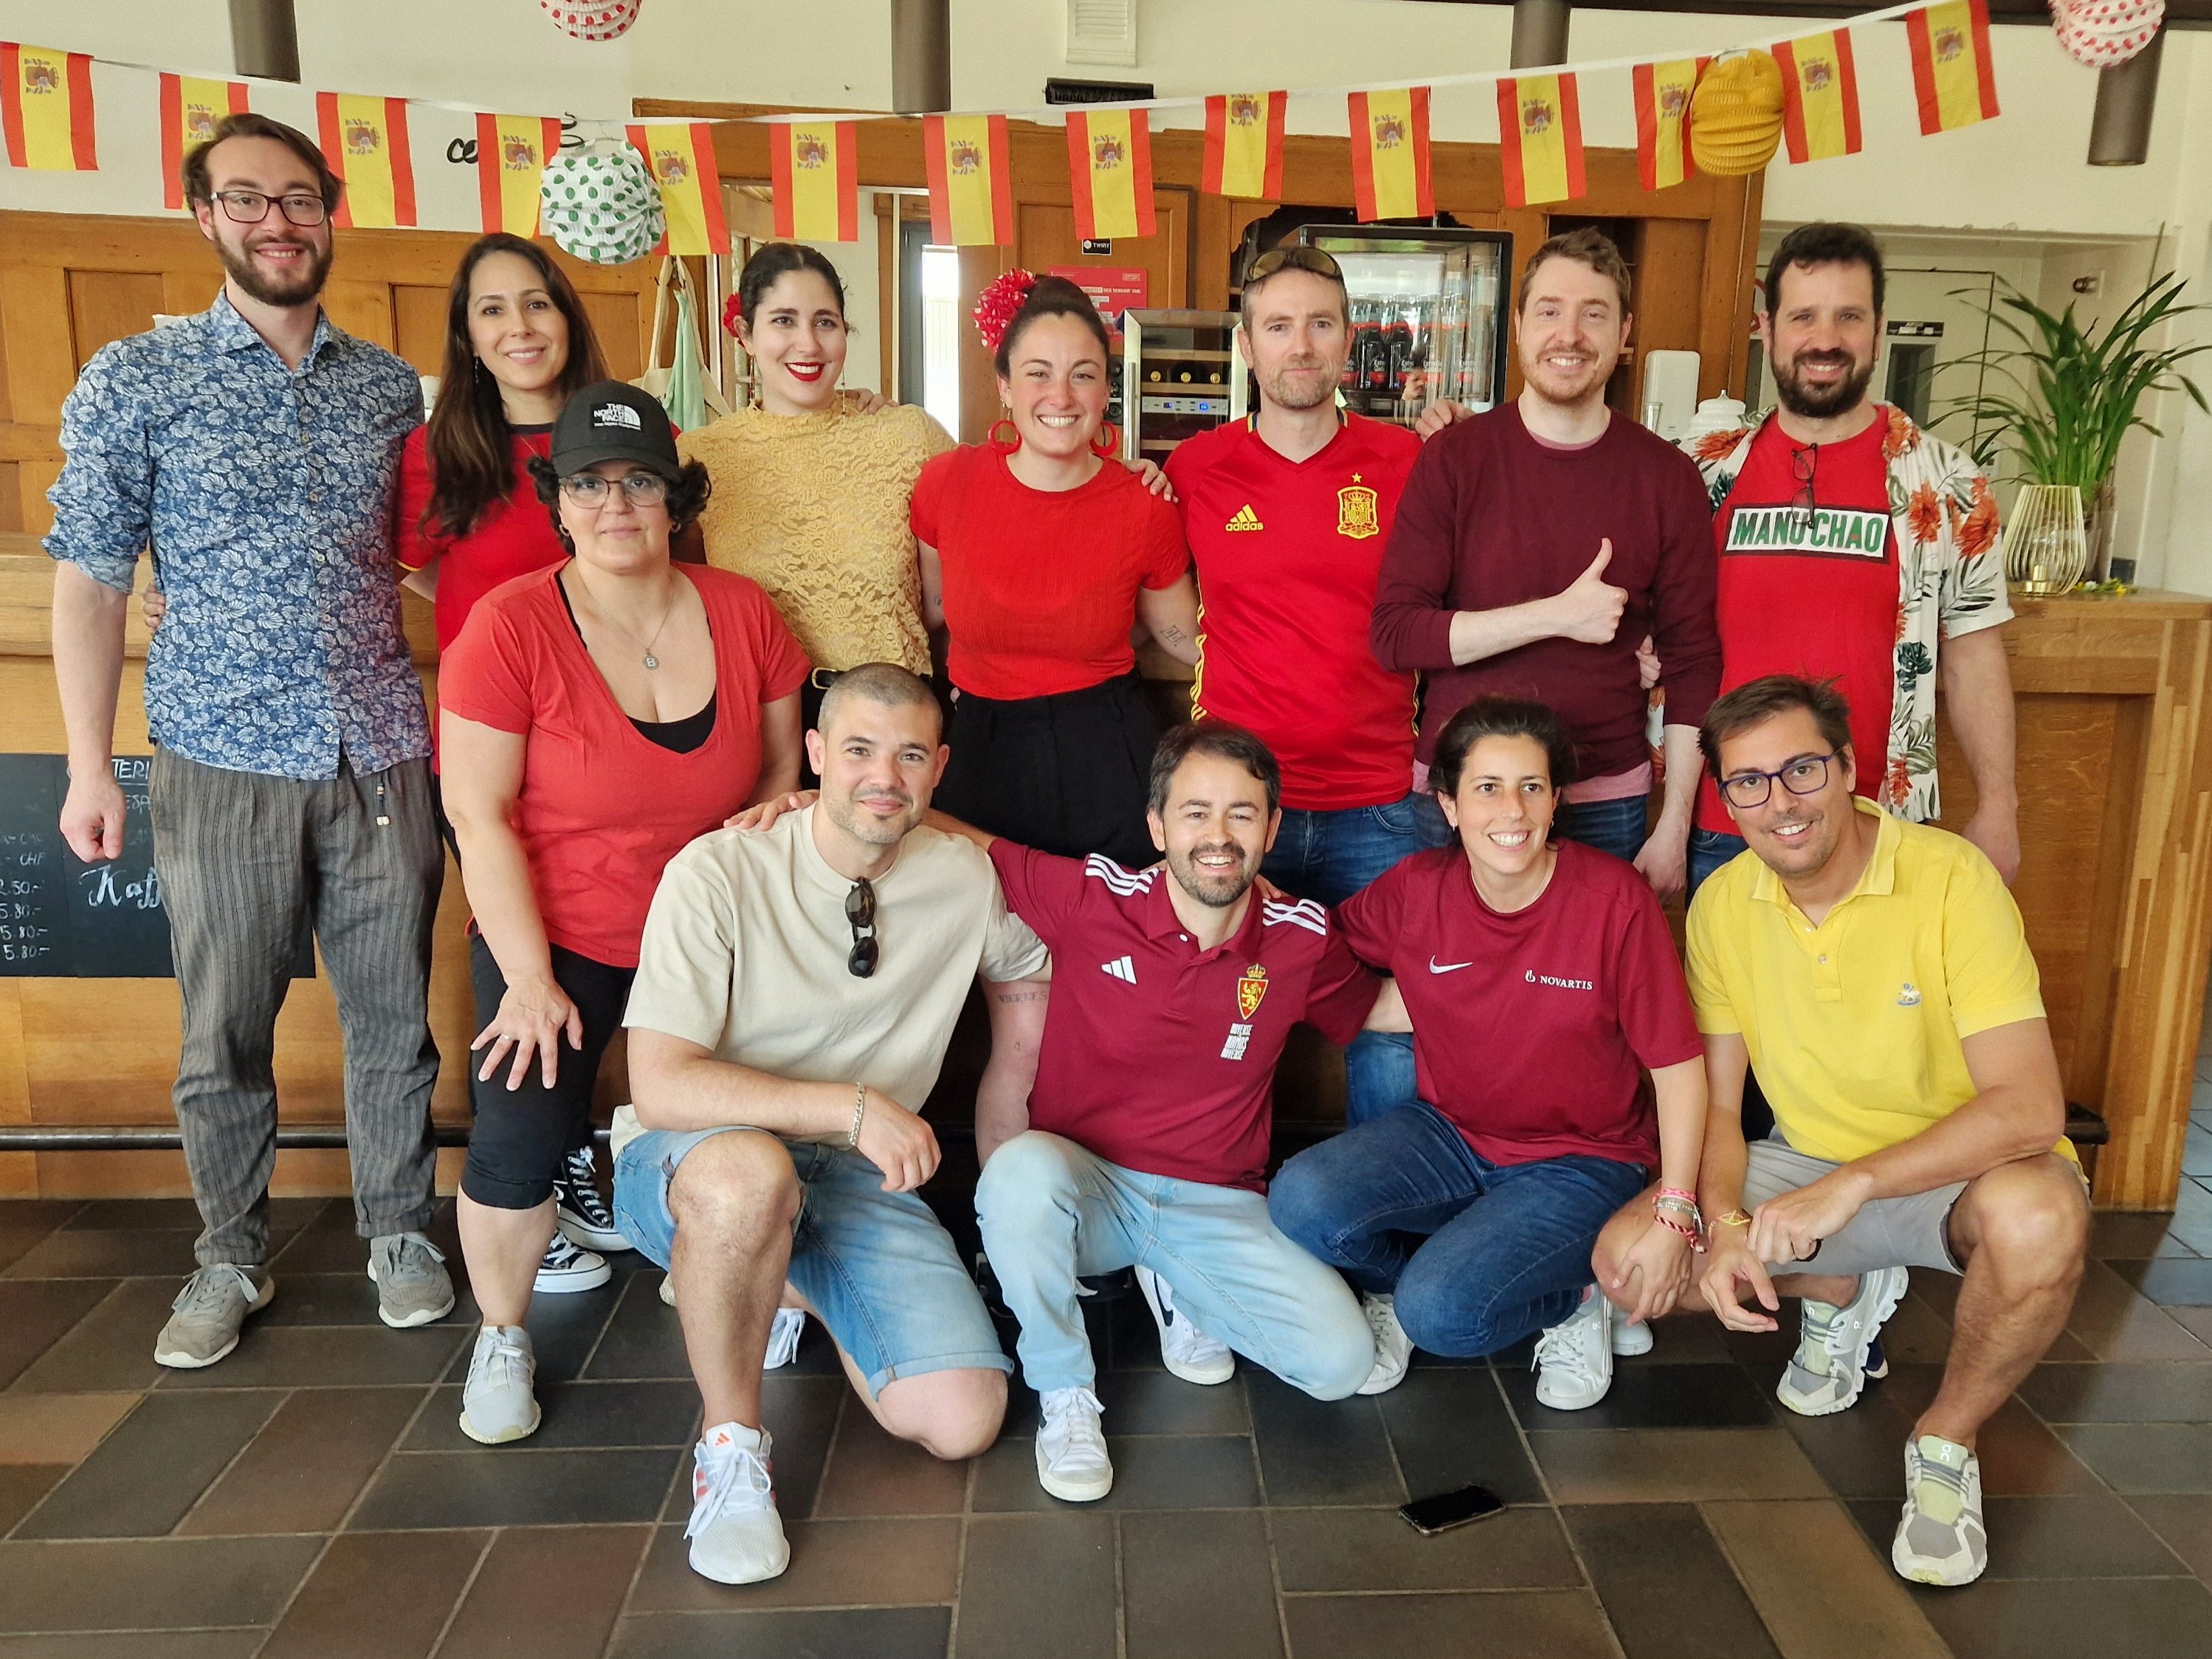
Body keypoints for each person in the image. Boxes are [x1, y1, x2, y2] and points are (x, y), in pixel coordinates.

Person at [46, 112, 452, 1366]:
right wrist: (84, 763)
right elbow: (92, 578)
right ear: (204, 219)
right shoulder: (136, 377)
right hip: (218, 751)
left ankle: (398, 1226)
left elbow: (431, 557)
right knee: (224, 1020)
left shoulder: (389, 386)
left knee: (394, 1012)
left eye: (298, 199)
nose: (277, 221)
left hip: (380, 744)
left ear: (331, 212)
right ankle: (227, 1251)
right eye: (246, 200)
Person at [1634, 674, 2084, 1586]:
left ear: (1847, 769)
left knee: (2041, 1222)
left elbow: (2031, 1107)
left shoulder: (1951, 878)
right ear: (1726, 798)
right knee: (1630, 1262)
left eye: (1802, 769)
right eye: (1750, 782)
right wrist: (1721, 1227)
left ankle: (1946, 1442)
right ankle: (1839, 1285)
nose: (1781, 802)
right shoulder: (1724, 903)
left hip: (1953, 1173)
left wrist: (1856, 1182)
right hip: (1805, 1166)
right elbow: (1721, 1110)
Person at [610, 663, 1050, 1584]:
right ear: (813, 757)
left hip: (854, 1173)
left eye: (909, 756)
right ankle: (731, 1445)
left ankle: (770, 1283)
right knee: (749, 1183)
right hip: (697, 1159)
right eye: (856, 750)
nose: (882, 776)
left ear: (938, 771)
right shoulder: (720, 868)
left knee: (962, 1417)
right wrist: (849, 1105)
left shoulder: (965, 879)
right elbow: (660, 1085)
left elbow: (1049, 961)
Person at [437, 382, 807, 1444]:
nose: (616, 505)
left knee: (749, 1120)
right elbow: (478, 812)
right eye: (590, 484)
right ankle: (501, 1336)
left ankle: (719, 1255)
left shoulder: (742, 611)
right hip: (559, 930)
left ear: (674, 496)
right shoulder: (507, 627)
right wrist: (530, 979)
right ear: (556, 499)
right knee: (520, 1121)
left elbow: (778, 775)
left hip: (711, 935)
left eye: (639, 481)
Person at [960, 722, 1382, 1500]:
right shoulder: (1092, 896)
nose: (1217, 837)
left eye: (1241, 814)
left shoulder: (1301, 938)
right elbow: (964, 838)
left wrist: (1527, 984)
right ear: (1157, 826)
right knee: (1017, 1171)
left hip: (1215, 1202)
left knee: (1343, 1366)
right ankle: (1066, 1393)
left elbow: (1383, 1010)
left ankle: (1177, 1279)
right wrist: (808, 803)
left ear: (1274, 827)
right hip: (1086, 1193)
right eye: (1195, 812)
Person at [1268, 695, 1709, 1410]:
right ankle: (1408, 1284)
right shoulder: (1416, 890)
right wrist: (1248, 906)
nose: (1513, 811)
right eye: (1488, 788)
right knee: (1299, 1199)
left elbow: (1678, 1067)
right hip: (1451, 1133)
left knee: (1441, 1313)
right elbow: (1315, 945)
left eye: (1531, 787)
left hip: (1584, 1159)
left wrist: (1674, 1208)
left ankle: (1573, 1298)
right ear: (1448, 805)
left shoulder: (1614, 900)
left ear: (1557, 799)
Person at [1163, 246, 1441, 1125]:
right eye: (1278, 326)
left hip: (1381, 804)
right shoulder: (1193, 470)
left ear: (1348, 339)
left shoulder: (1409, 462)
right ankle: (1205, 1220)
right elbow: (1168, 621)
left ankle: (1384, 1239)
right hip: (1242, 807)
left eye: (1320, 324)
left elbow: (1461, 607)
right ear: (1247, 345)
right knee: (1218, 1010)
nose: (1301, 346)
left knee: (1392, 1025)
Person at [1372, 227, 1722, 900]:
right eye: (1550, 311)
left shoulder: (1668, 478)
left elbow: (1692, 660)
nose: (1570, 334)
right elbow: (1397, 635)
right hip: (1461, 797)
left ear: (1623, 334)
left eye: (1594, 313)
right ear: (1518, 329)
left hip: (1603, 800)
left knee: (1586, 998)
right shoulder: (1453, 459)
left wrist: (1674, 824)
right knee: (1449, 988)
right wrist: (1556, 617)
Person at [1681, 223, 2016, 895]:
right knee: (1727, 1003)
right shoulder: (1702, 472)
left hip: (1882, 822)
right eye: (1804, 316)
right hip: (1728, 826)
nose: (1825, 339)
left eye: (1849, 316)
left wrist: (1999, 805)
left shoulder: (1947, 482)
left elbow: (1975, 651)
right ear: (1767, 326)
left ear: (1878, 327)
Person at [911, 272, 1202, 867]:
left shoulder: (1142, 502)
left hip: (1105, 748)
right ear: (1005, 388)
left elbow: (1184, 639)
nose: (1060, 396)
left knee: (1110, 944)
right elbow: (935, 612)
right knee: (980, 941)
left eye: (1083, 375)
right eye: (1038, 373)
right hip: (978, 748)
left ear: (1104, 392)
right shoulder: (947, 483)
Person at [680, 243, 949, 750]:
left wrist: (1110, 472)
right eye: (783, 321)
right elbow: (683, 600)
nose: (808, 344)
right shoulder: (700, 456)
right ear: (745, 335)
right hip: (759, 721)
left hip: (895, 720)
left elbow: (997, 506)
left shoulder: (907, 436)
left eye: (825, 322)